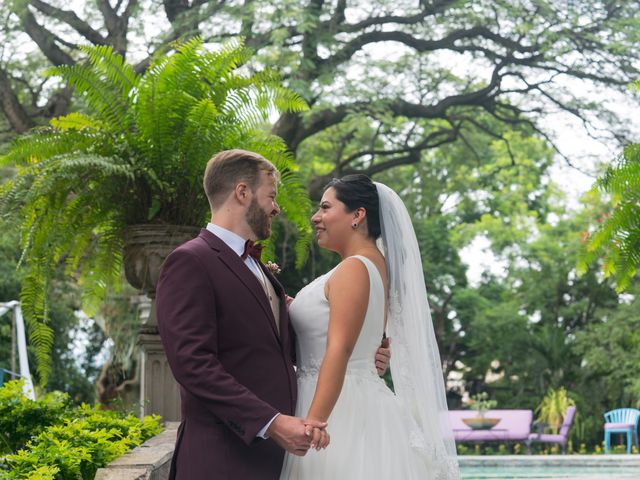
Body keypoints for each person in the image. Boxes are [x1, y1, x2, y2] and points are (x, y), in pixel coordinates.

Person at [156, 150, 390, 480]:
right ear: (242, 193)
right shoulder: (191, 261)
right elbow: (192, 364)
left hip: (276, 459)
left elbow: (283, 345)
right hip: (223, 458)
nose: (277, 208)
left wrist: (366, 353)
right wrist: (271, 422)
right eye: (271, 196)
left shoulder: (260, 269)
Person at [280, 174, 460, 479]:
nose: (315, 217)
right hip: (354, 398)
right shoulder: (373, 266)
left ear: (357, 215)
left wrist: (314, 421)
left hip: (338, 410)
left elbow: (339, 348)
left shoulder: (354, 268)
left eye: (325, 208)